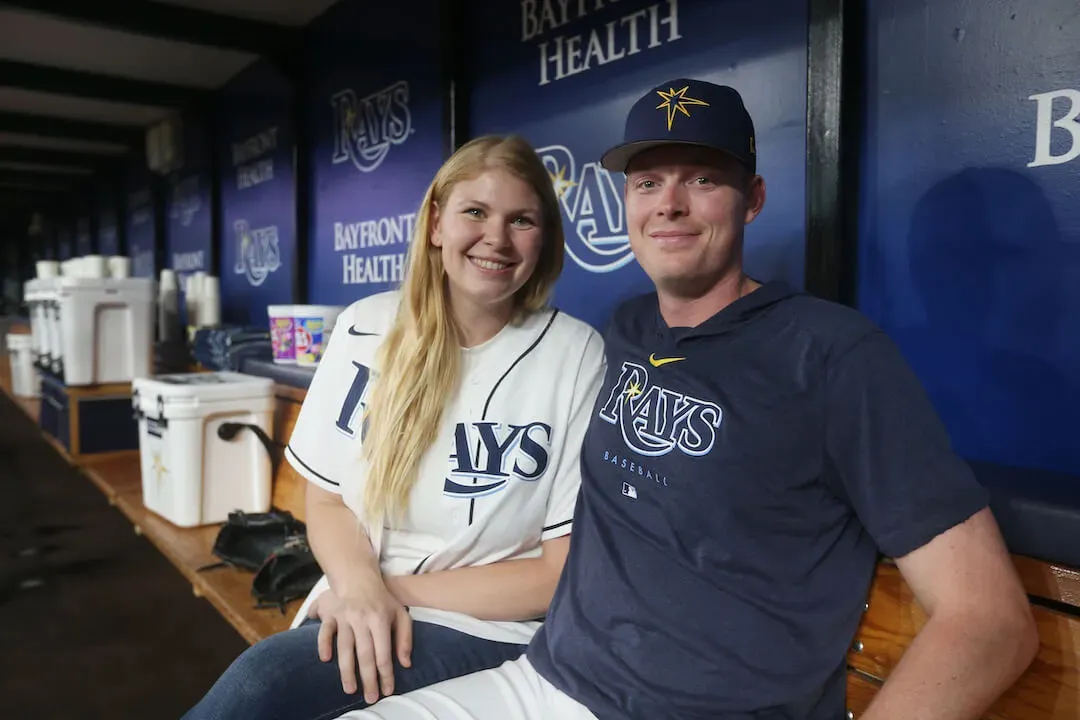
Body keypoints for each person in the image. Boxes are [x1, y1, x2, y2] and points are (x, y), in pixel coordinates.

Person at [329, 79, 1039, 720]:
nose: (669, 203)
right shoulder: (626, 329)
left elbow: (989, 621)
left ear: (753, 198)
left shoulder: (832, 355)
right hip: (543, 681)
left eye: (702, 178)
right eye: (647, 182)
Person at [182, 134, 607, 720]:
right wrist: (359, 590)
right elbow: (327, 500)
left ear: (545, 239)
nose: (497, 238)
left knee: (266, 684)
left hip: (492, 626)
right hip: (357, 594)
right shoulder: (367, 326)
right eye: (475, 212)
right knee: (265, 686)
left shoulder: (576, 353)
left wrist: (380, 596)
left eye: (523, 220)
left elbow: (555, 575)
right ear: (435, 223)